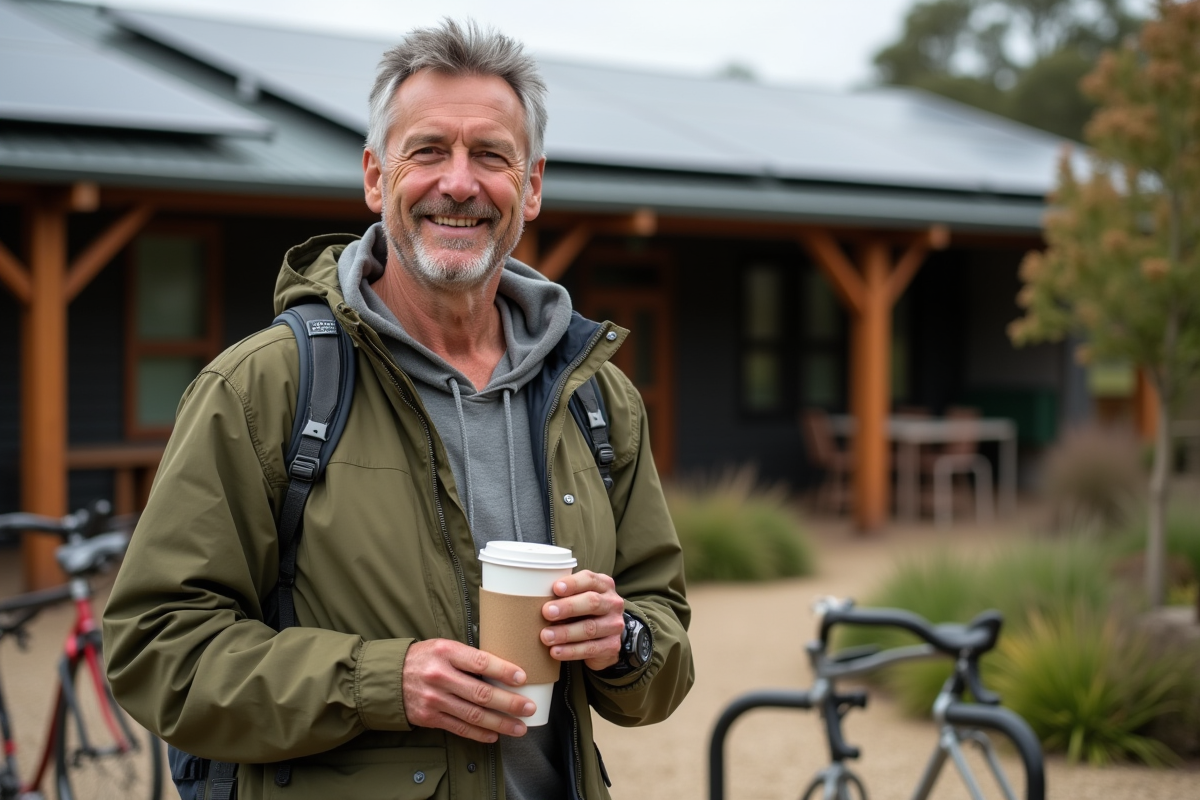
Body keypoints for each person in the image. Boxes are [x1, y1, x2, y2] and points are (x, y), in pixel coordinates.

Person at [102, 18, 693, 800]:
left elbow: (664, 641)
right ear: (377, 178)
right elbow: (155, 649)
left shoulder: (597, 397)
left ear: (533, 185)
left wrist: (623, 640)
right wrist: (380, 680)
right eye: (428, 151)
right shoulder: (265, 387)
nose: (459, 182)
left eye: (490, 155)